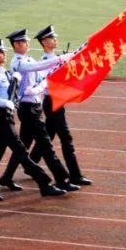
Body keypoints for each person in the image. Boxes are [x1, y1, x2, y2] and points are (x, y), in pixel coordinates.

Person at [0, 39, 66, 201]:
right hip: (2, 116)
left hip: (7, 116)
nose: (4, 54)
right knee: (21, 151)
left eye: (3, 51)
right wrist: (5, 102)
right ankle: (44, 183)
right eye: (0, 52)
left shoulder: (5, 72)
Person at [0, 29, 79, 193]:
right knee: (46, 145)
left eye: (26, 41)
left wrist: (58, 67)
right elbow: (38, 66)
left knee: (23, 146)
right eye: (22, 42)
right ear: (16, 45)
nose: (26, 44)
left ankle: (7, 177)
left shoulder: (28, 59)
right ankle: (60, 180)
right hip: (28, 110)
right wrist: (60, 58)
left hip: (34, 107)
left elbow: (44, 76)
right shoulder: (18, 62)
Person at [32, 25, 91, 186]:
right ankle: (75, 175)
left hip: (57, 101)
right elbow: (47, 81)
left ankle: (31, 164)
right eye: (52, 38)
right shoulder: (46, 61)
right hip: (53, 102)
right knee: (66, 138)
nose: (55, 39)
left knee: (48, 136)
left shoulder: (55, 58)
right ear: (44, 41)